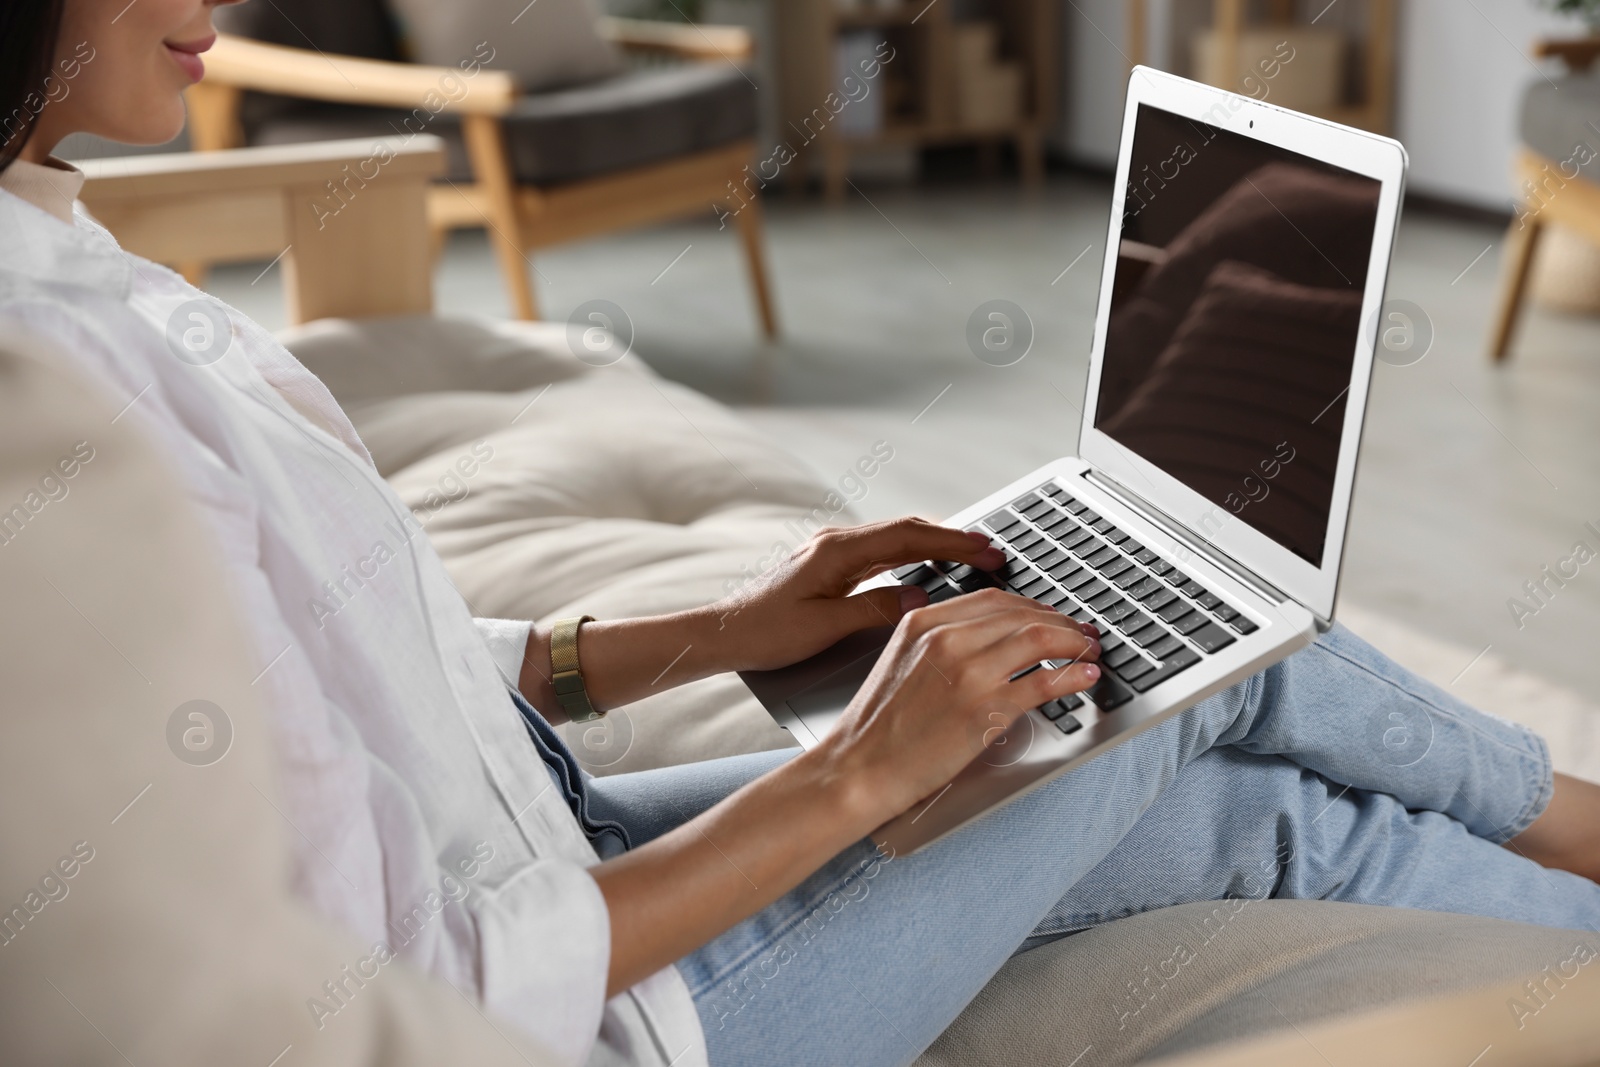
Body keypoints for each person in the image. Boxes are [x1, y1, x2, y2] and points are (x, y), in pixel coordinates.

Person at [2, 2, 1597, 1065]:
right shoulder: (57, 407)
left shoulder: (79, 263)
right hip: (616, 1021)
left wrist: (732, 634)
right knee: (1190, 664)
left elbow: (367, 670)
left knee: (1260, 817)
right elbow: (434, 992)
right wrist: (856, 775)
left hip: (565, 847)